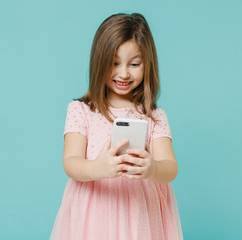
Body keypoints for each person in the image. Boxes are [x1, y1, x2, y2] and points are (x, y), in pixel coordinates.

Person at [50, 13, 183, 240]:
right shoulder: (81, 110)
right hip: (94, 214)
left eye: (134, 64)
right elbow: (70, 162)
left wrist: (152, 169)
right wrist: (98, 169)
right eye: (114, 63)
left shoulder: (155, 116)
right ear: (99, 61)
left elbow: (170, 168)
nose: (123, 73)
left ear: (147, 64)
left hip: (139, 215)